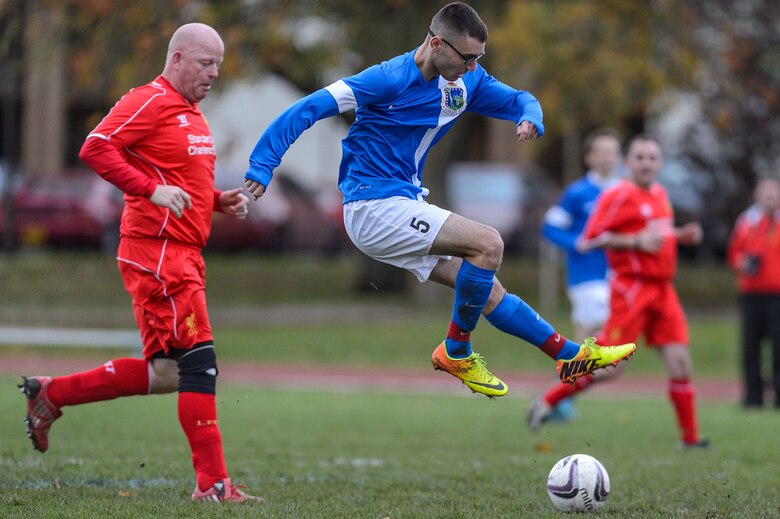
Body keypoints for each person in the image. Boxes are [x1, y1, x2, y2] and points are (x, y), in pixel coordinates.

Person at [243, 2, 636, 397]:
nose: (473, 67)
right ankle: (457, 351)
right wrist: (263, 164)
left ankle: (568, 355)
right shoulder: (387, 79)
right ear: (436, 44)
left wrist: (529, 116)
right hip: (372, 206)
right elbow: (308, 108)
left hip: (402, 203)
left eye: (478, 58)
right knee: (489, 243)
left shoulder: (465, 82)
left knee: (485, 286)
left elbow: (519, 98)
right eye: (467, 57)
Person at [18, 23, 261, 503]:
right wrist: (149, 190)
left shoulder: (190, 111)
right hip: (159, 252)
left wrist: (215, 201)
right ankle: (212, 486)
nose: (214, 73)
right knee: (200, 364)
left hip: (179, 251)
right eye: (205, 63)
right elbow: (94, 147)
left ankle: (52, 394)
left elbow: (174, 179)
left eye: (218, 64)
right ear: (176, 60)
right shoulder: (149, 99)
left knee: (168, 374)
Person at [527, 134, 710, 450]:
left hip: (662, 291)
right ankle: (550, 398)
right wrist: (635, 242)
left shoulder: (660, 194)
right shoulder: (617, 195)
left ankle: (690, 439)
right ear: (629, 163)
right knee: (611, 366)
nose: (646, 163)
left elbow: (656, 233)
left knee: (681, 363)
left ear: (660, 163)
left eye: (652, 158)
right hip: (631, 289)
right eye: (639, 157)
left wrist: (681, 235)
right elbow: (593, 237)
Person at [541, 128, 622, 421]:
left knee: (587, 338)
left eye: (612, 151)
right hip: (586, 278)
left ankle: (558, 394)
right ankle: (560, 395)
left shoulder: (623, 191)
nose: (607, 157)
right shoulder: (577, 193)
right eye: (601, 151)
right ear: (589, 157)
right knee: (599, 333)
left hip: (617, 277)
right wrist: (577, 243)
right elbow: (550, 228)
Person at [727, 177, 780, 409]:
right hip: (751, 294)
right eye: (765, 191)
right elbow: (734, 253)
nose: (769, 196)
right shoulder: (747, 220)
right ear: (757, 195)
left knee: (779, 346)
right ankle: (753, 397)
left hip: (777, 295)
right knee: (751, 346)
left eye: (773, 192)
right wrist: (742, 263)